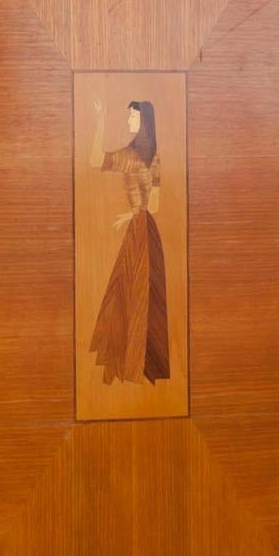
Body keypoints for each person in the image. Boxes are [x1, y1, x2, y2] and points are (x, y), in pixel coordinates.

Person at [88, 97, 172, 388]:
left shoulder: (130, 156)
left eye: (133, 119)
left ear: (144, 123)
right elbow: (155, 206)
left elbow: (95, 159)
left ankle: (129, 365)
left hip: (138, 232)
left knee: (129, 294)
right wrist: (134, 212)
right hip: (149, 230)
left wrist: (99, 120)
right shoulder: (155, 157)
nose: (128, 123)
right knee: (143, 295)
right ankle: (144, 366)